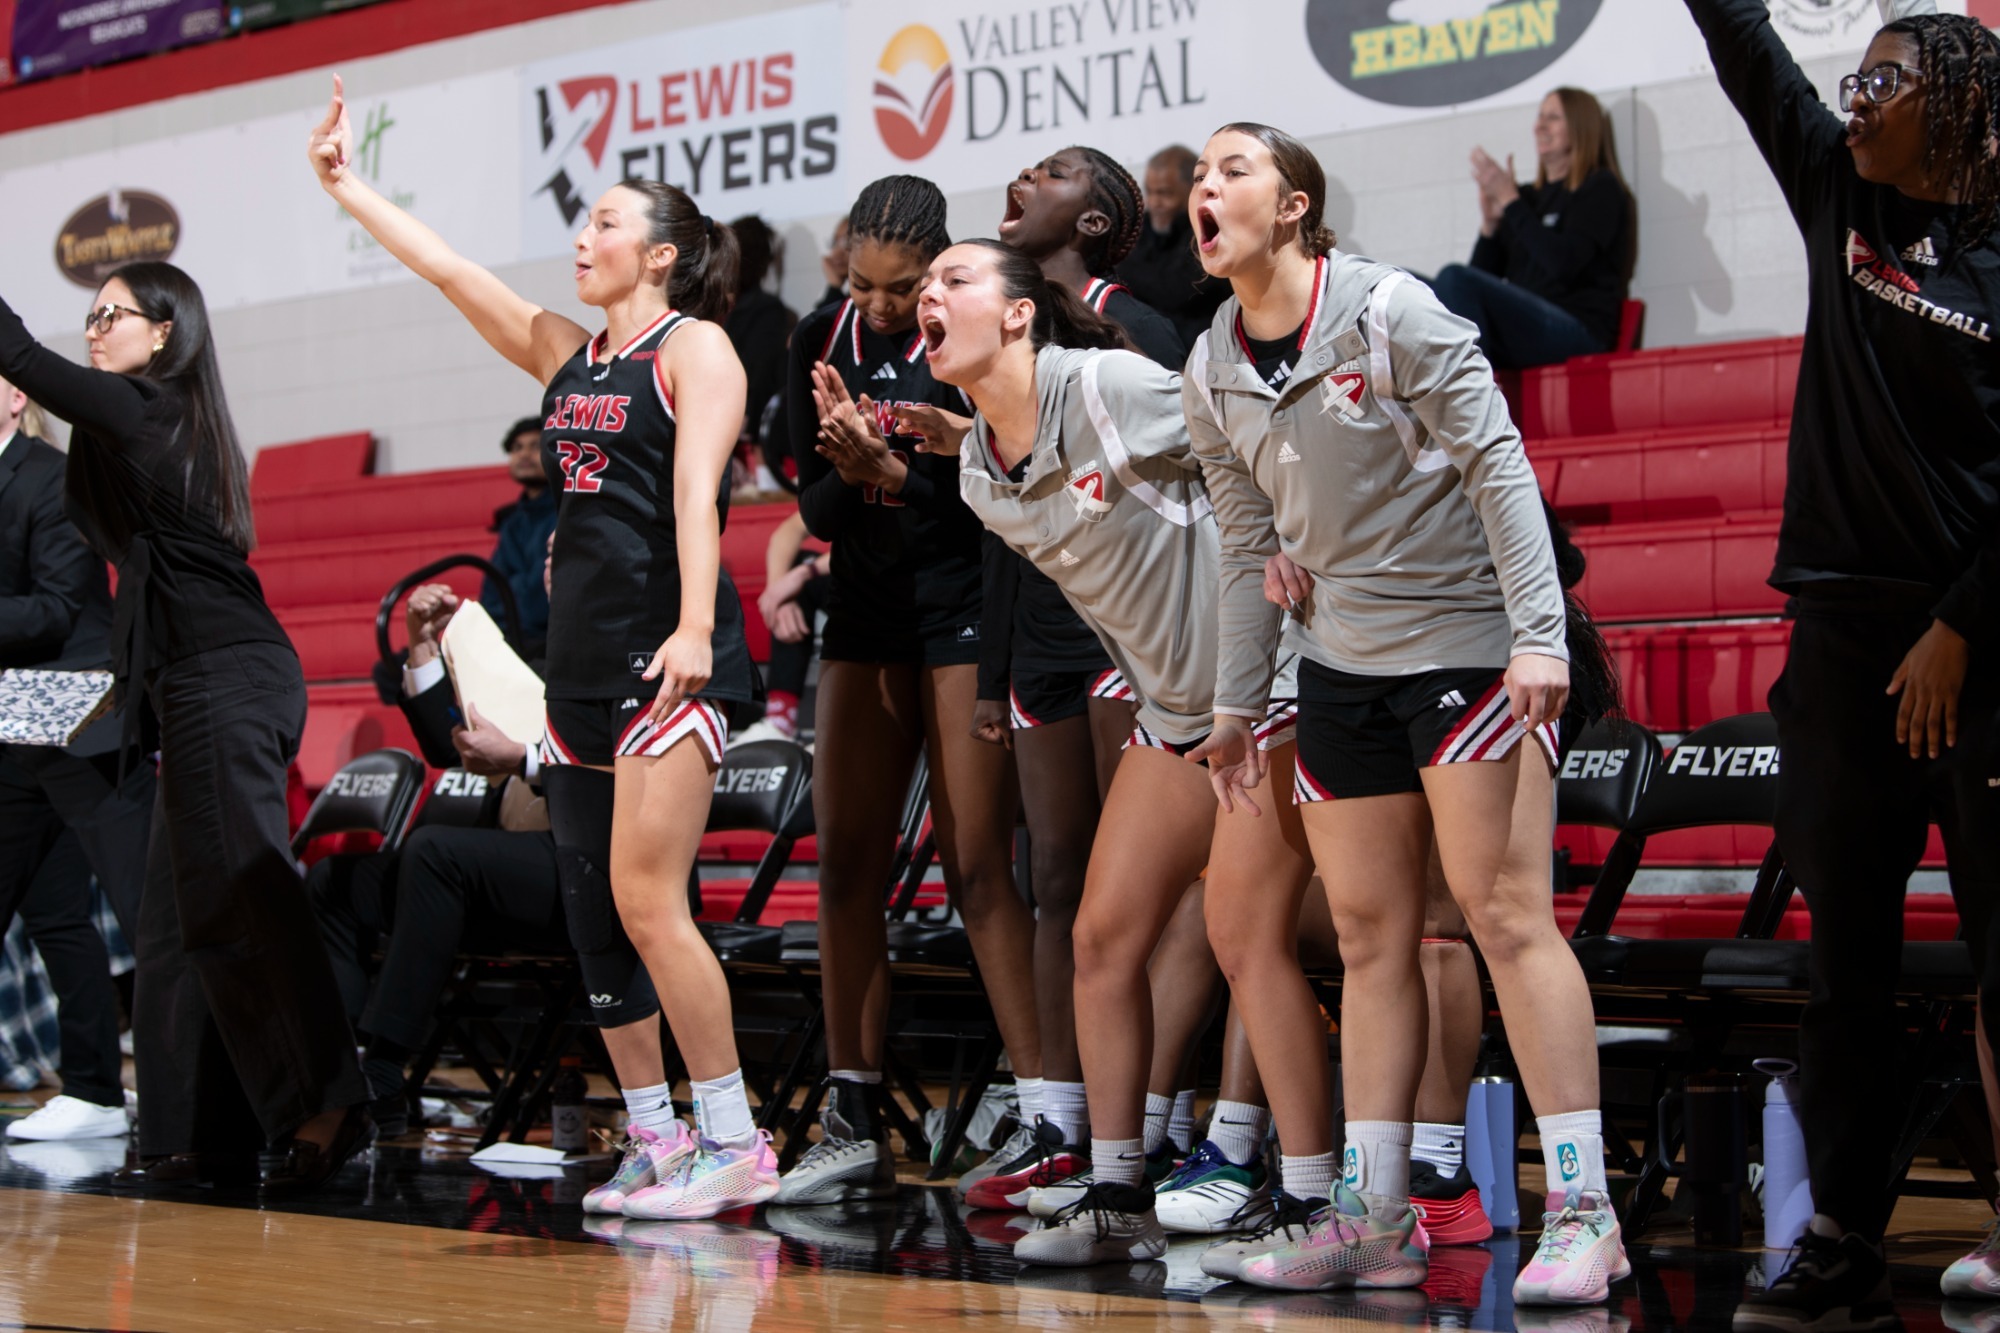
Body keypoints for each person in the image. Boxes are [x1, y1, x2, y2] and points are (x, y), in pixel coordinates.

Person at [308, 74, 781, 1218]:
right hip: (573, 677)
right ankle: (659, 1141)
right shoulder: (568, 356)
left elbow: (695, 496)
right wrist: (347, 188)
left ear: (662, 254)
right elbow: (448, 271)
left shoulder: (697, 348)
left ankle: (735, 1139)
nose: (586, 236)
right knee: (590, 917)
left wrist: (693, 627)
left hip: (666, 664)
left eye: (608, 222)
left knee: (647, 899)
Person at [1184, 122, 1621, 1304]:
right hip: (1339, 669)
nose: (1202, 187)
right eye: (1197, 174)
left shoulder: (1391, 313)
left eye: (1233, 168)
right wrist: (1234, 700)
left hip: (1469, 648)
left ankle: (1584, 1209)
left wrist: (1538, 634)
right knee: (1371, 940)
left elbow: (1499, 464)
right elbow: (1244, 544)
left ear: (1293, 206)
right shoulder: (1209, 360)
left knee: (1501, 916)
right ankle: (1375, 1216)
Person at [881, 236, 1312, 1266]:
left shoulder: (1111, 386)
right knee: (1099, 937)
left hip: (1268, 690)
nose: (927, 296)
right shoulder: (983, 476)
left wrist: (1292, 538)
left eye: (954, 278)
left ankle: (1291, 1191)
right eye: (923, 286)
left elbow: (1254, 433)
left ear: (1021, 313)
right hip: (1174, 710)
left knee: (1246, 939)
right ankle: (1116, 1187)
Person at [1666, 3, 2000, 1327]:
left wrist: (1962, 627)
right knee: (1843, 963)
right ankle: (1844, 1236)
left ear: (1960, 104)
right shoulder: (1835, 191)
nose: (1853, 101)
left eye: (1886, 82)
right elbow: (1744, 42)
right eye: (1851, 79)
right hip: (1846, 640)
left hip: (1984, 641)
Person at [0, 262, 371, 1191]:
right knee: (170, 929)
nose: (93, 327)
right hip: (189, 685)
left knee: (241, 902)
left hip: (227, 677)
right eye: (86, 314)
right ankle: (189, 1134)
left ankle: (327, 1100)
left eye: (112, 314)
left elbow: (15, 355)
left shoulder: (151, 408)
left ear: (165, 331)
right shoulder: (134, 431)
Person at [778, 175, 1033, 1205]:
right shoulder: (814, 339)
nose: (880, 306)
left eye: (899, 286)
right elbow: (815, 506)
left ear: (935, 265)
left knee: (978, 867)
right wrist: (859, 469)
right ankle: (849, 1107)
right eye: (864, 282)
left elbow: (1004, 485)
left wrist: (896, 467)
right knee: (845, 860)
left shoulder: (968, 323)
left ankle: (1039, 1103)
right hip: (869, 616)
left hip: (964, 602)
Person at [305, 582, 565, 1139]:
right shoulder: (537, 656)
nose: (549, 558)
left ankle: (383, 1067)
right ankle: (342, 1065)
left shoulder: (627, 652)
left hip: (587, 865)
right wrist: (422, 646)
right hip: (509, 864)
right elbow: (450, 748)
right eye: (544, 551)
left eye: (559, 547)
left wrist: (526, 759)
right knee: (335, 880)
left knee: (436, 849)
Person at [0, 381, 142, 1143]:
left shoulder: (50, 475)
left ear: (15, 398)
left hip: (72, 717)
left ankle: (101, 1088)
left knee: (91, 912)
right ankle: (92, 1087)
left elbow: (60, 605)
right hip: (14, 723)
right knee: (54, 912)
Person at [1430, 89, 1636, 369]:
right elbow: (1474, 288)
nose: (1539, 126)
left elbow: (1563, 264)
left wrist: (1510, 201)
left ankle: (1470, 400)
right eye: (1540, 117)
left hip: (1577, 329)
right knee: (1414, 286)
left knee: (1453, 277)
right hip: (1526, 330)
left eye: (1552, 118)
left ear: (1580, 128)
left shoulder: (1600, 188)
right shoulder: (1526, 198)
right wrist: (1491, 226)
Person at [998, 146, 1187, 370]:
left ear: (1092, 223)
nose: (1027, 173)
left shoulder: (1139, 327)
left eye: (1056, 173)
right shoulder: (996, 316)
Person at [1117, 145, 1232, 346]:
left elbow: (1175, 291)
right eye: (1150, 192)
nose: (1154, 203)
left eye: (1165, 194)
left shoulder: (1215, 230)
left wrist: (1123, 265)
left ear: (1195, 188)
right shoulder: (1140, 227)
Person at [482, 415, 558, 660]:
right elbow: (494, 591)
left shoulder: (569, 511)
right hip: (513, 637)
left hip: (551, 641)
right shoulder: (513, 522)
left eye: (535, 446)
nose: (524, 455)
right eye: (517, 448)